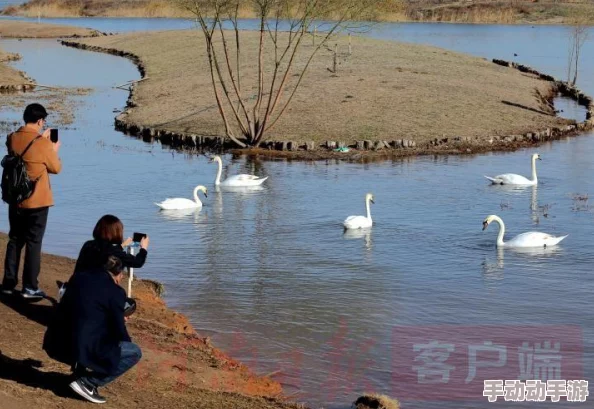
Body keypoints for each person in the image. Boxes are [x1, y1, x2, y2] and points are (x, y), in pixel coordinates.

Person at [43, 255, 142, 404]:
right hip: (79, 344)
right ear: (119, 274)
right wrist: (122, 328)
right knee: (134, 352)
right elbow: (119, 331)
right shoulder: (116, 293)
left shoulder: (78, 277)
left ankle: (78, 374)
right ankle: (89, 383)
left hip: (56, 341)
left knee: (85, 328)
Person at [2, 103, 61, 299]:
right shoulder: (43, 144)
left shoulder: (12, 138)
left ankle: (8, 283)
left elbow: (23, 153)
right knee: (34, 243)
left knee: (15, 240)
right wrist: (52, 149)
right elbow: (55, 168)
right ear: (40, 121)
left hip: (16, 199)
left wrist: (41, 142)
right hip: (37, 201)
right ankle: (30, 287)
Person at [73, 214, 149, 275]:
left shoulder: (88, 244)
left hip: (77, 285)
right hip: (95, 290)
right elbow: (137, 262)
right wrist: (144, 248)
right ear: (116, 233)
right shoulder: (114, 252)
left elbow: (105, 251)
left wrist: (122, 246)